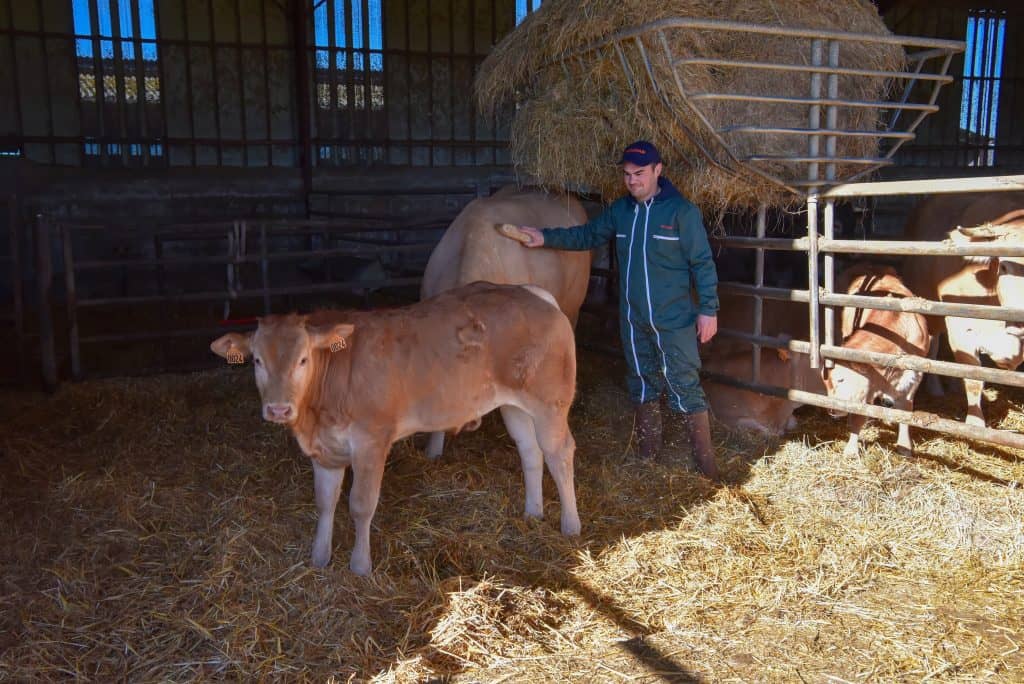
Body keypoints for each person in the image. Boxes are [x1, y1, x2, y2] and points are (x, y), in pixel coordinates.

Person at [516, 140, 720, 479]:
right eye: (627, 174)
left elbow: (702, 263)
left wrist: (708, 310)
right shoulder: (621, 212)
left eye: (639, 174)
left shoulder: (681, 213)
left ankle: (707, 467)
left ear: (658, 170)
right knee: (641, 381)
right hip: (633, 318)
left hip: (673, 318)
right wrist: (543, 237)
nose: (632, 181)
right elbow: (586, 235)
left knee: (684, 382)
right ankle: (647, 455)